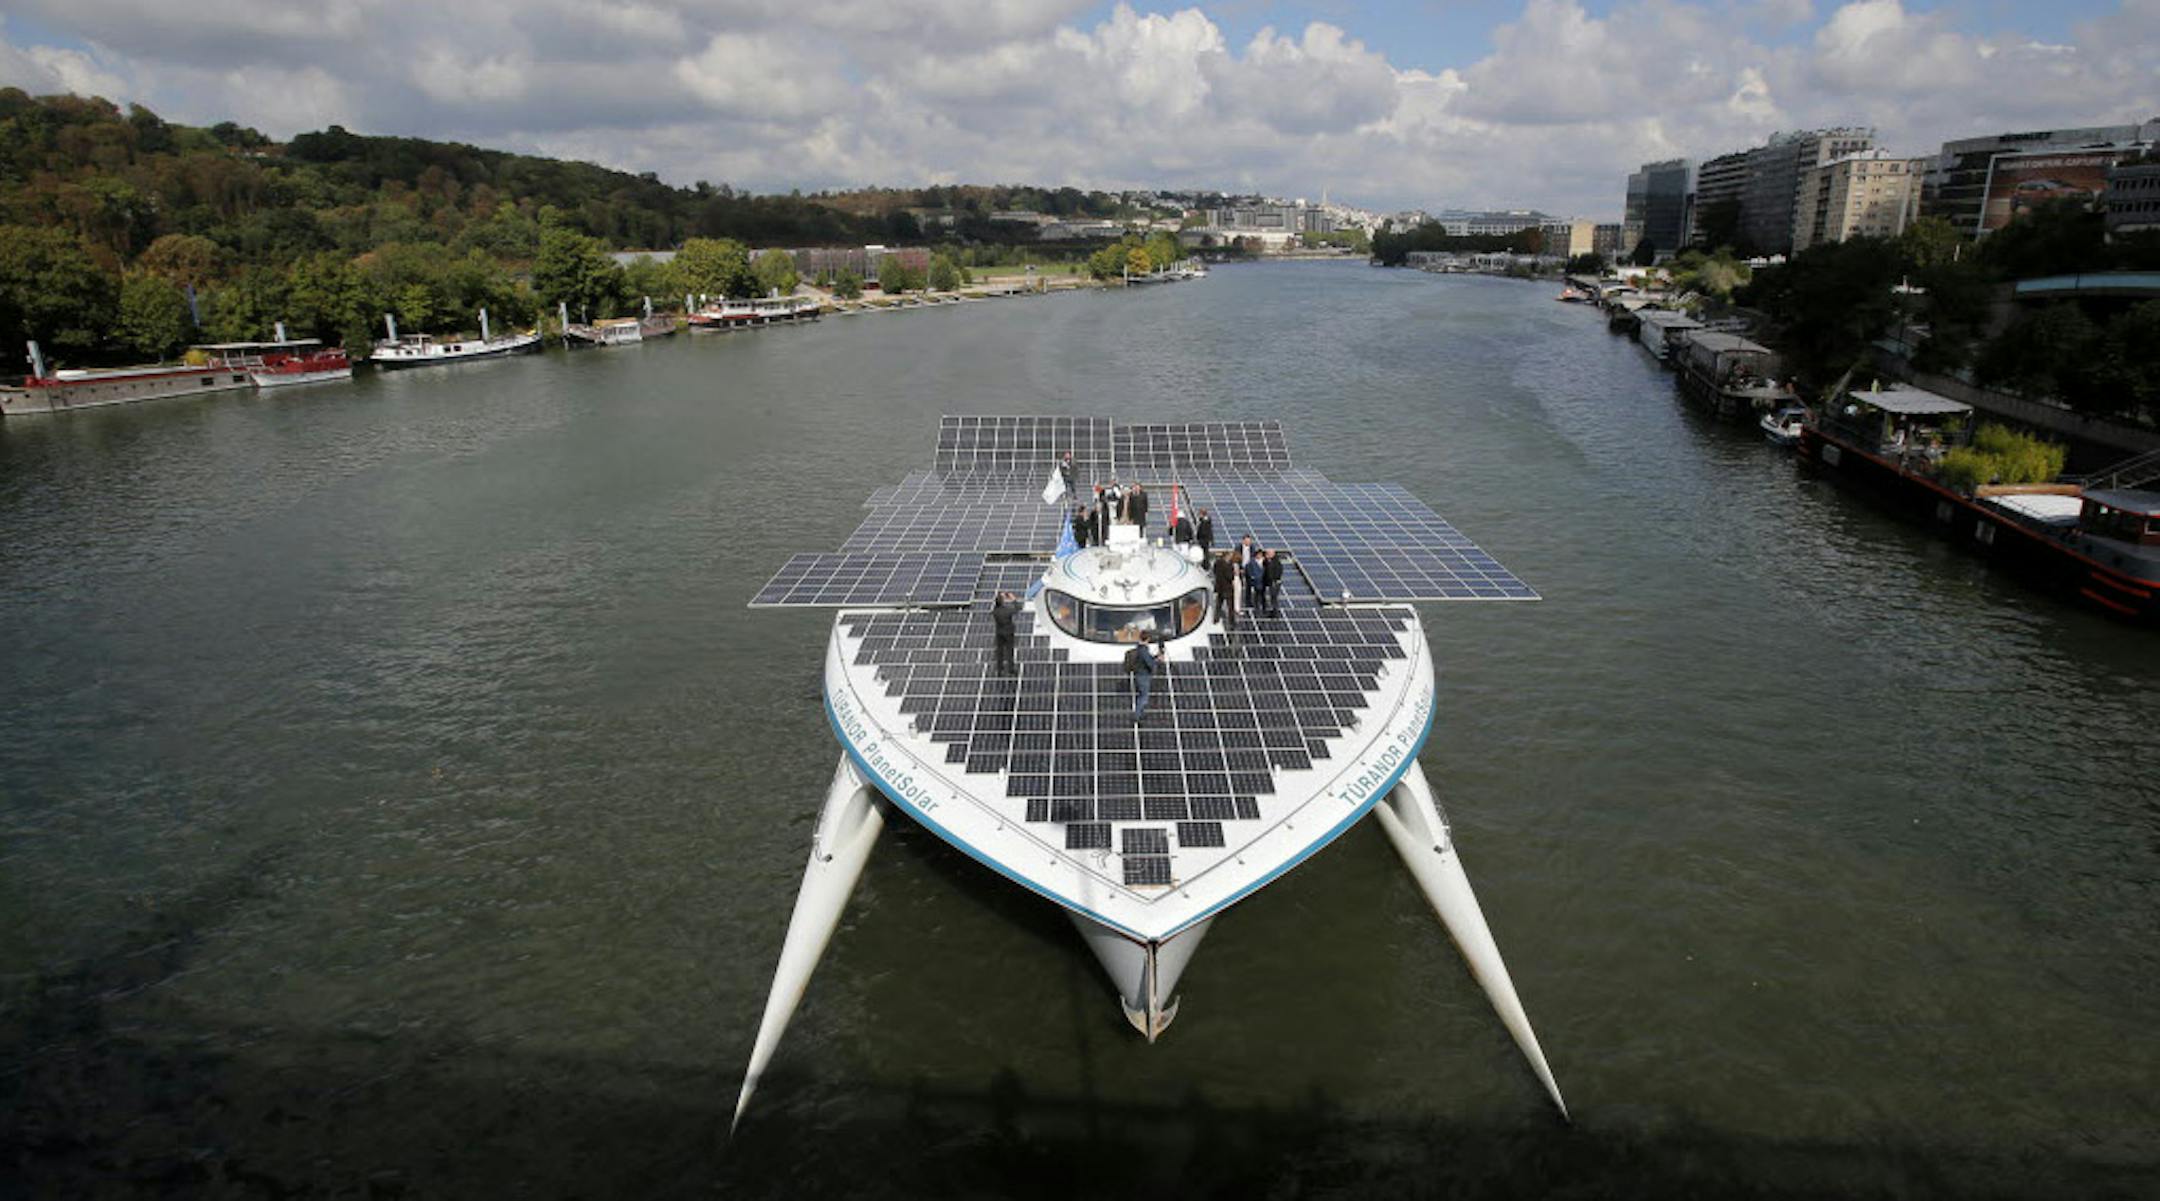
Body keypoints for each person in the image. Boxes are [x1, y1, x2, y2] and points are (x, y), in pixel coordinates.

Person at [1129, 636, 1161, 721]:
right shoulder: (1143, 650)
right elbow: (1149, 663)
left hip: (1140, 675)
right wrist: (1155, 662)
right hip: (1143, 676)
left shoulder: (1139, 649)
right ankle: (1137, 715)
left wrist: (1156, 657)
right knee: (1144, 697)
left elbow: (1146, 660)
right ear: (1147, 639)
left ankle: (1140, 714)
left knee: (1142, 696)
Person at [991, 590, 1021, 676]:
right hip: (1008, 633)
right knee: (1009, 651)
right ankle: (1011, 669)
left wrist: (1001, 597)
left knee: (1000, 651)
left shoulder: (995, 611)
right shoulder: (1007, 611)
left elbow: (996, 606)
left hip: (999, 633)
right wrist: (1013, 599)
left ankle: (999, 669)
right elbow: (1018, 608)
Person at [1211, 549, 1236, 624]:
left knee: (1219, 605)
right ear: (1227, 556)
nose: (1231, 557)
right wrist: (1233, 573)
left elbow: (1214, 571)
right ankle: (1231, 621)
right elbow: (1230, 576)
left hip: (1219, 587)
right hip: (1227, 588)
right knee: (1230, 606)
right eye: (1230, 556)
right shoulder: (1228, 565)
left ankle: (1216, 619)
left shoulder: (1217, 563)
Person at [1244, 546, 1267, 617]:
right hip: (1256, 582)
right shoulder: (1252, 562)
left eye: (1260, 554)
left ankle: (1264, 609)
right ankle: (1256, 610)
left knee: (1263, 596)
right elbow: (1247, 569)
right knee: (1256, 596)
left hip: (1263, 582)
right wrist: (1252, 576)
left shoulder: (1265, 562)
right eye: (1258, 554)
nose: (1259, 555)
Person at [1262, 548, 1284, 616]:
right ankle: (1273, 610)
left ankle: (1275, 612)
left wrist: (1274, 579)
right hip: (1270, 582)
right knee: (1272, 597)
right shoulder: (1268, 561)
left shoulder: (1276, 562)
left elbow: (1277, 572)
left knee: (1274, 597)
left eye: (1269, 553)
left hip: (1275, 582)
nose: (1267, 555)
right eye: (1267, 553)